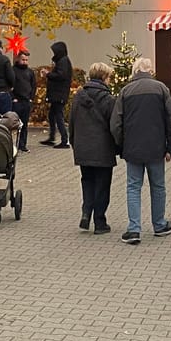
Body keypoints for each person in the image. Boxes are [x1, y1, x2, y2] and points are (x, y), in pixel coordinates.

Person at [110, 57, 171, 245]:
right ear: (150, 70)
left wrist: (121, 145)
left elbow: (116, 123)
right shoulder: (161, 89)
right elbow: (170, 120)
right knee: (158, 186)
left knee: (133, 187)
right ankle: (159, 224)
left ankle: (134, 229)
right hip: (156, 147)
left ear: (135, 70)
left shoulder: (125, 91)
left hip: (133, 148)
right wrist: (170, 147)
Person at [70, 62, 118, 235]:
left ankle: (85, 212)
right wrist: (118, 146)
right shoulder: (109, 99)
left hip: (83, 147)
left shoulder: (78, 96)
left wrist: (74, 143)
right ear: (104, 77)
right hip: (103, 149)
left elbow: (72, 122)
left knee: (87, 181)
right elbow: (115, 125)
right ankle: (99, 221)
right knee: (102, 185)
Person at [45, 41, 73, 148]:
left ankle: (64, 140)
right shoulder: (62, 61)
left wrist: (48, 74)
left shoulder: (63, 61)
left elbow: (61, 75)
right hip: (58, 93)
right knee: (52, 115)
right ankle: (52, 137)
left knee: (58, 116)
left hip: (59, 94)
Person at [11, 49, 36, 152]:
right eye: (23, 59)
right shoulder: (13, 70)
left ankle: (22, 145)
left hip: (26, 101)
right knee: (13, 124)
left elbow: (34, 85)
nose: (25, 62)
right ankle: (12, 145)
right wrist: (13, 98)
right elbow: (9, 85)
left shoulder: (30, 72)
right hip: (17, 101)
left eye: (26, 60)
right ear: (18, 59)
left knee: (24, 124)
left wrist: (31, 98)